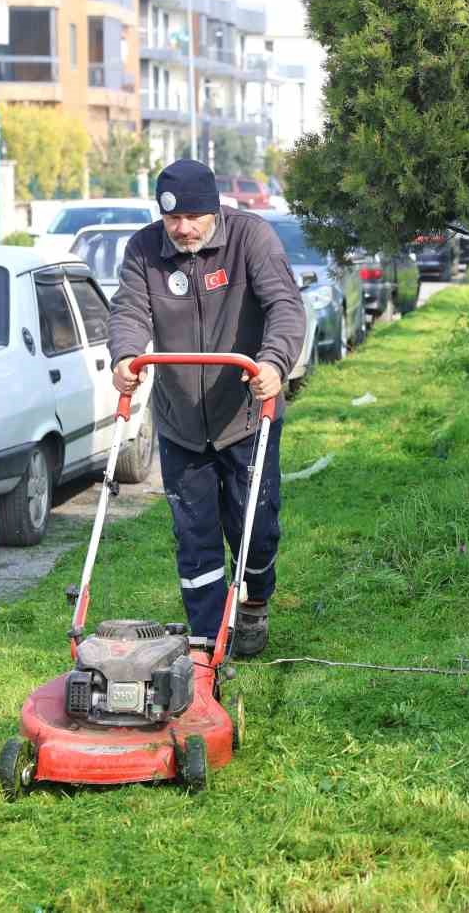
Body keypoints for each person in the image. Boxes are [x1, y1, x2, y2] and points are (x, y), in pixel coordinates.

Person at [108, 159, 306, 657]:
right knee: (194, 535)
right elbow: (129, 308)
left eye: (194, 217)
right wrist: (126, 356)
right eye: (173, 219)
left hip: (246, 413)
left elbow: (285, 305)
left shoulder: (251, 239)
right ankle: (205, 645)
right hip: (180, 422)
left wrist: (274, 362)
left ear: (214, 210)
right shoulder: (144, 249)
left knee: (255, 528)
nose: (183, 228)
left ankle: (255, 602)